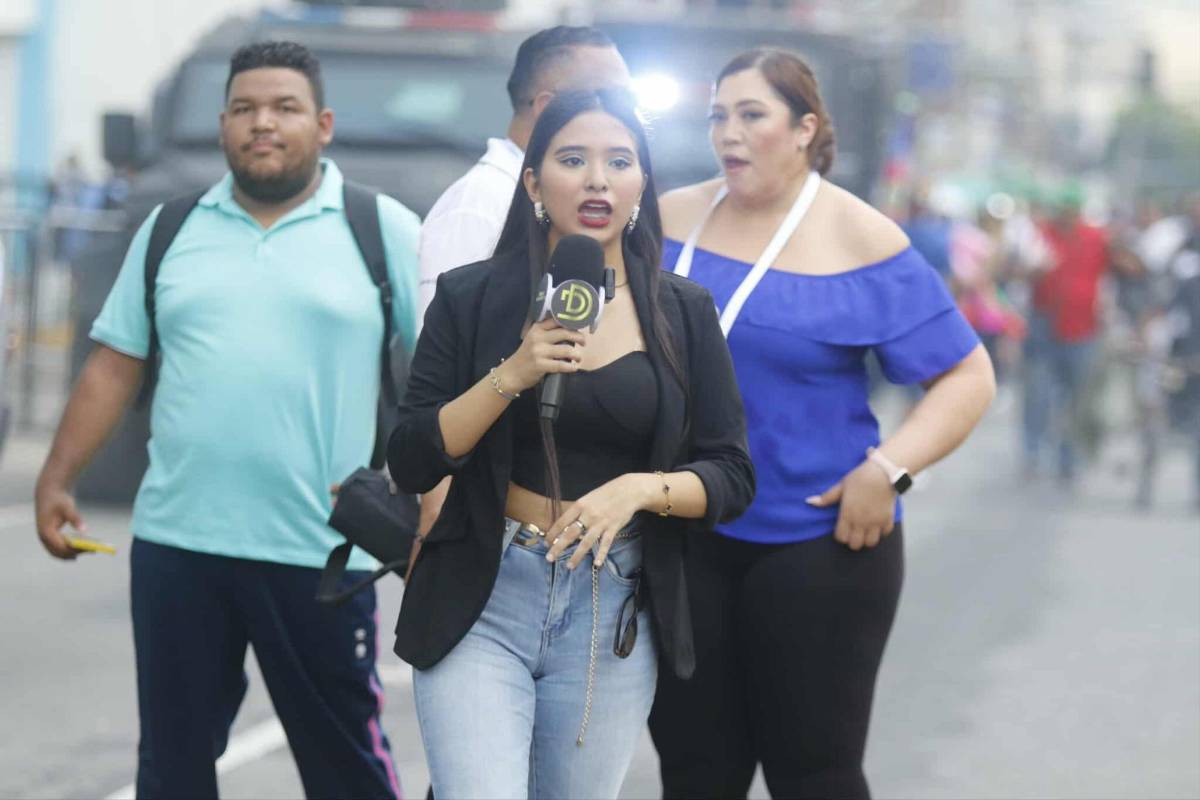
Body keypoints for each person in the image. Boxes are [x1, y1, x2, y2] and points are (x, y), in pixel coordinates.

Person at [32, 42, 419, 799]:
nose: (262, 124)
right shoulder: (171, 229)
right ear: (222, 127)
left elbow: (449, 370)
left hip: (321, 553)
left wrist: (430, 495)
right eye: (244, 109)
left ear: (324, 124)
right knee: (172, 769)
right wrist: (56, 479)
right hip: (179, 547)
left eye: (283, 108)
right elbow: (115, 363)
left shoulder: (381, 228)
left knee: (347, 767)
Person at [388, 88, 755, 799]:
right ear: (533, 182)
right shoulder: (471, 298)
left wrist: (642, 489)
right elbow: (410, 457)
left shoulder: (683, 311)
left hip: (610, 602)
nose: (597, 179)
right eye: (573, 159)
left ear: (642, 184)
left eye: (619, 161)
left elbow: (733, 476)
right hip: (483, 593)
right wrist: (515, 372)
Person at [649, 49, 996, 799]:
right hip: (683, 535)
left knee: (814, 774)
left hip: (818, 542)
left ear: (805, 128)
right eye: (718, 116)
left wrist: (890, 470)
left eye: (751, 116)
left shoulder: (862, 237)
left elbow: (967, 376)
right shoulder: (669, 216)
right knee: (694, 775)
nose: (728, 135)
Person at [414, 26, 630, 541]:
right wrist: (436, 521)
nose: (623, 111)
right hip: (488, 527)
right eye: (612, 94)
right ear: (548, 105)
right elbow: (441, 382)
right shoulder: (479, 206)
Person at [1024, 184, 1109, 483]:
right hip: (1044, 324)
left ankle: (1068, 457)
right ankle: (1032, 452)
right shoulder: (1041, 235)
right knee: (1039, 393)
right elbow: (1023, 270)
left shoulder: (1096, 238)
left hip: (1083, 328)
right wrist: (1036, 267)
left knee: (1076, 399)